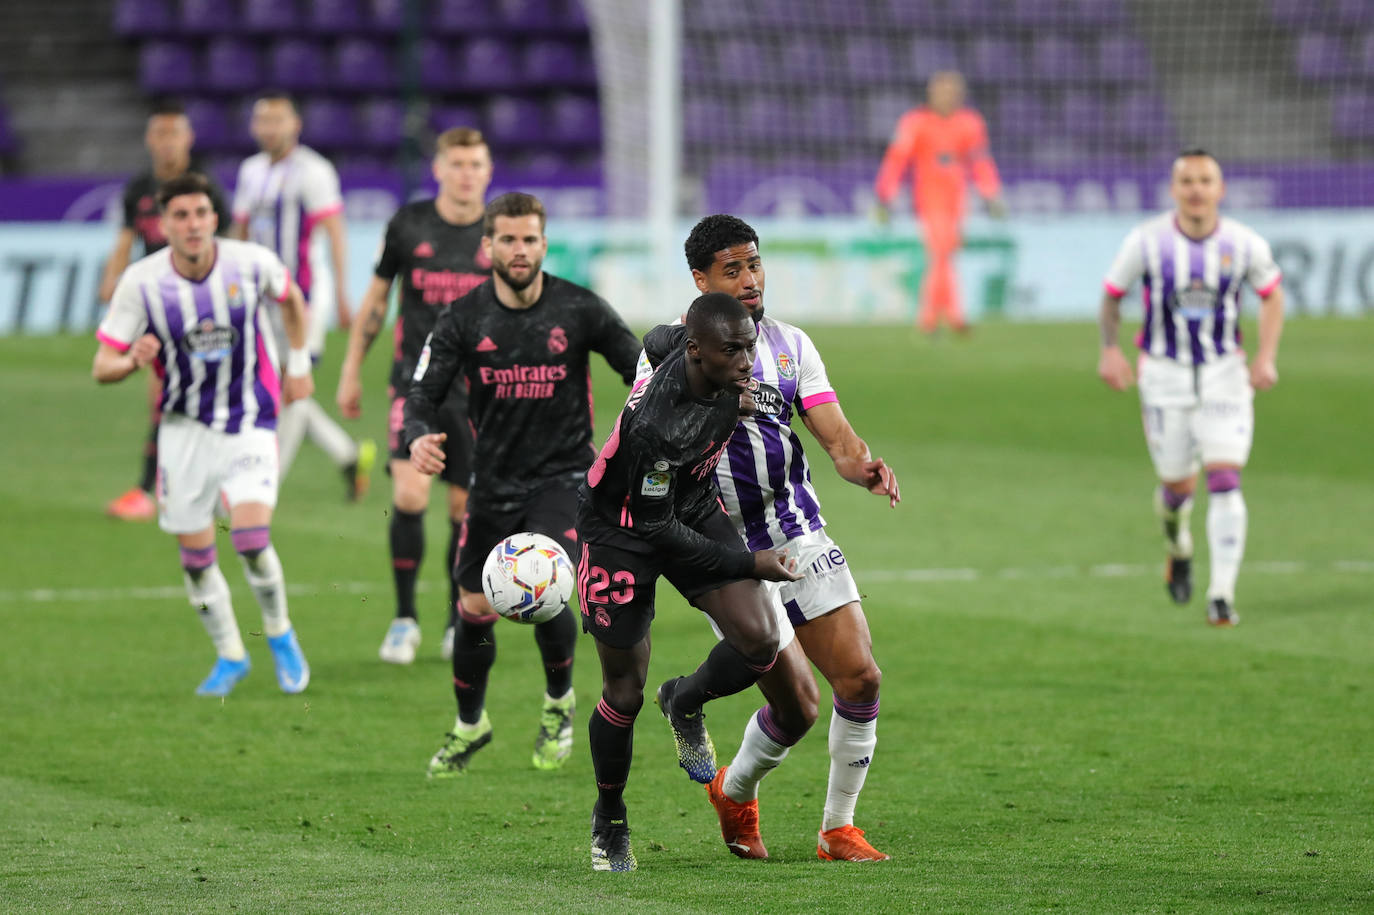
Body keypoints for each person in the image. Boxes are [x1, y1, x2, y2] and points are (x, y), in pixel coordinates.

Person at [663, 215, 900, 862]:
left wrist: (863, 466)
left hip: (795, 529)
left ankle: (837, 828)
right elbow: (649, 438)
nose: (749, 279)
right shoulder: (669, 352)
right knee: (798, 706)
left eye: (755, 265)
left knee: (861, 676)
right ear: (701, 280)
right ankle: (734, 790)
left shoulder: (791, 346)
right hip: (724, 550)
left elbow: (836, 437)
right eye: (732, 269)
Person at [403, 192, 642, 776]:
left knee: (546, 576)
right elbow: (421, 396)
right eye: (507, 239)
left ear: (543, 243)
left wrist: (639, 429)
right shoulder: (462, 317)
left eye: (529, 239)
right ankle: (471, 724)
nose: (518, 249)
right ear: (488, 246)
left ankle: (559, 704)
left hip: (564, 477)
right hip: (493, 483)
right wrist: (417, 436)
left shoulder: (579, 308)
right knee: (475, 605)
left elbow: (639, 368)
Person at [576, 292, 803, 872]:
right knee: (623, 691)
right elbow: (657, 528)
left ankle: (684, 699)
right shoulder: (659, 429)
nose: (748, 361)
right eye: (733, 351)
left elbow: (654, 337)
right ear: (699, 352)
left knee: (760, 639)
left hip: (692, 503)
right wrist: (751, 563)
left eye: (749, 345)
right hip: (623, 531)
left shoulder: (688, 344)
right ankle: (610, 818)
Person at [92, 172, 312, 696]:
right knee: (195, 561)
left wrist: (298, 363)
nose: (192, 225)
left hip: (249, 422)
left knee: (252, 539)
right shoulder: (141, 282)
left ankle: (280, 634)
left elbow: (293, 298)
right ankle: (230, 655)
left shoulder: (249, 263)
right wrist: (129, 362)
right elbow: (101, 364)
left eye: (200, 214)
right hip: (182, 431)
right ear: (163, 224)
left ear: (215, 218)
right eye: (180, 216)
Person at [1098, 149, 1284, 627]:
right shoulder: (1148, 241)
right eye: (1187, 181)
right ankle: (1177, 546)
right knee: (1178, 487)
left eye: (1206, 180)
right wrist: (1110, 350)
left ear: (1220, 190)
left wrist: (1265, 356)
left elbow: (1271, 294)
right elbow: (1112, 295)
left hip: (1225, 374)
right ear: (1174, 190)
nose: (1197, 189)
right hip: (1163, 375)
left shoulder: (1244, 243)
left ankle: (1222, 594)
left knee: (1225, 479)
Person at [337, 126, 494, 664]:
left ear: (487, 171)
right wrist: (352, 370)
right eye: (457, 163)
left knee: (461, 508)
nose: (466, 173)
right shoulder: (409, 225)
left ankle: (455, 619)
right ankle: (404, 620)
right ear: (440, 169)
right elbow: (377, 300)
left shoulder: (501, 234)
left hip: (477, 391)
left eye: (476, 164)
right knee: (409, 495)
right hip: (415, 384)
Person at [231, 91, 372, 503]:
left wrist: (344, 294)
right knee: (274, 382)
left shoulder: (313, 171)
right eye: (263, 120)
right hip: (262, 296)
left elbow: (335, 230)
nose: (270, 128)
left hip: (305, 296)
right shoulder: (250, 170)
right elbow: (240, 231)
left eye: (278, 120)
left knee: (292, 379)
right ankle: (348, 454)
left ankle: (267, 479)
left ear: (295, 125)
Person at [100, 100, 231, 522]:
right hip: (157, 309)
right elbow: (125, 241)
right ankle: (157, 487)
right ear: (149, 139)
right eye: (160, 134)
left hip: (204, 310)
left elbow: (228, 248)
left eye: (175, 134)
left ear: (188, 139)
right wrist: (111, 281)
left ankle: (182, 485)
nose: (167, 143)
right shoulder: (140, 189)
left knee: (205, 396)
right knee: (163, 399)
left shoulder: (205, 189)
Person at [874, 70, 1005, 335]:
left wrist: (991, 193)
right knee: (941, 252)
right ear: (931, 94)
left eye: (953, 92)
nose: (948, 97)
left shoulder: (970, 123)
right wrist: (885, 195)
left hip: (957, 198)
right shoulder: (915, 122)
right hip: (929, 197)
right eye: (942, 91)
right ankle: (942, 316)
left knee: (944, 255)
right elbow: (897, 159)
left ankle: (934, 315)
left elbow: (981, 161)